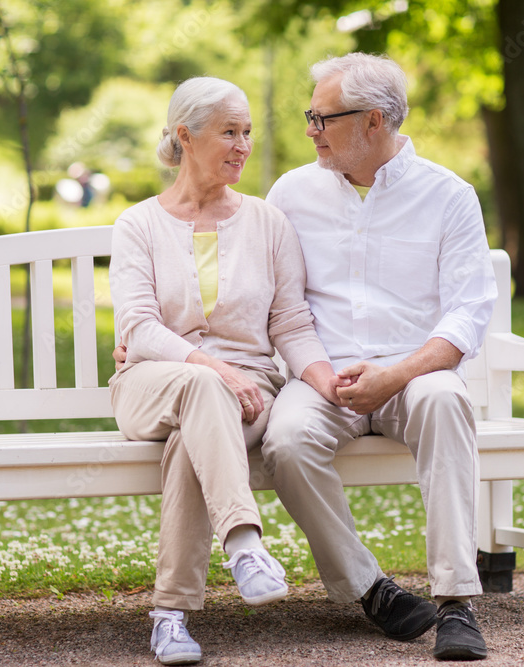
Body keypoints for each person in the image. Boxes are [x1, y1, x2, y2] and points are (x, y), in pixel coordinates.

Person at [261, 53, 497, 661]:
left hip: (414, 373)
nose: (309, 128)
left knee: (446, 400)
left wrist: (397, 373)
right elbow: (264, 296)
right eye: (308, 115)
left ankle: (455, 603)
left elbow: (468, 312)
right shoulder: (290, 193)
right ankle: (371, 591)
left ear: (372, 121)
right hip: (321, 374)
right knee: (285, 440)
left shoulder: (449, 196)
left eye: (321, 117)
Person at [109, 76, 342, 666]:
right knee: (200, 383)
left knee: (196, 434)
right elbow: (137, 328)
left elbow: (290, 323)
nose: (243, 145)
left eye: (247, 132)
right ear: (185, 136)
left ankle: (170, 617)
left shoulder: (268, 223)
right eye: (229, 132)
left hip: (247, 392)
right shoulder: (138, 224)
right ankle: (244, 542)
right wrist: (211, 365)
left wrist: (327, 383)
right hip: (152, 381)